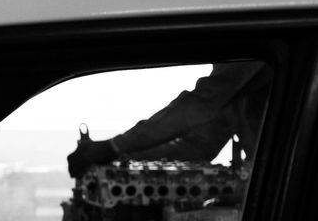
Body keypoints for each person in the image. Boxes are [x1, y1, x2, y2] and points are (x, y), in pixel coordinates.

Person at [66, 61, 270, 175]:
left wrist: (113, 147)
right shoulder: (238, 86)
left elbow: (199, 104)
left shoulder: (248, 58)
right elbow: (200, 145)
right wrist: (120, 159)